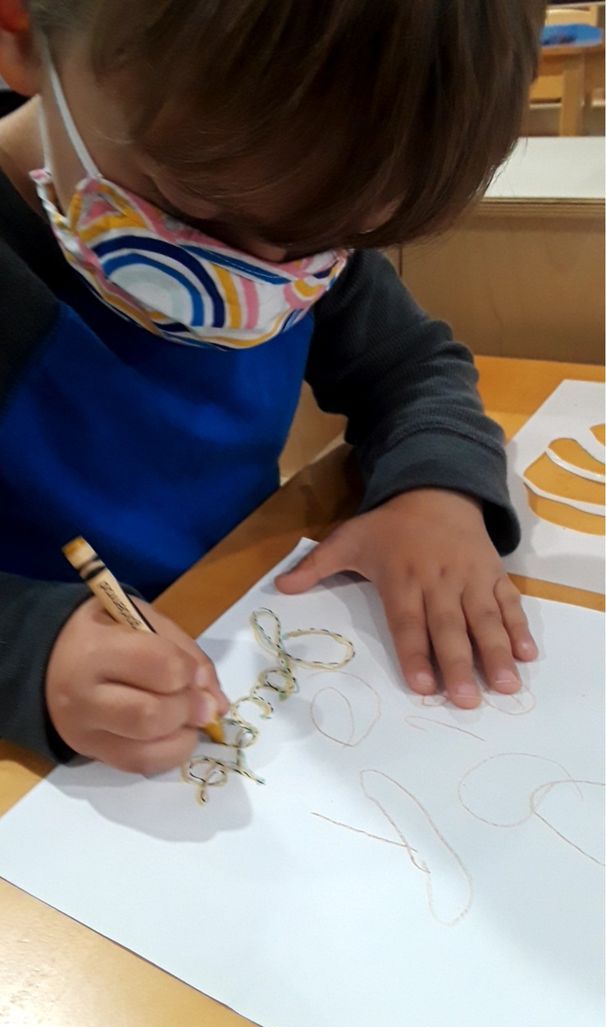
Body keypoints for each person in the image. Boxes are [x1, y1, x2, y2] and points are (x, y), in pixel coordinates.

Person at [0, 0, 544, 775]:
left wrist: (436, 493)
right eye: (199, 213)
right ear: (20, 35)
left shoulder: (298, 227)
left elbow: (413, 367)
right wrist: (30, 653)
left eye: (331, 242)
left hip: (239, 617)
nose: (265, 275)